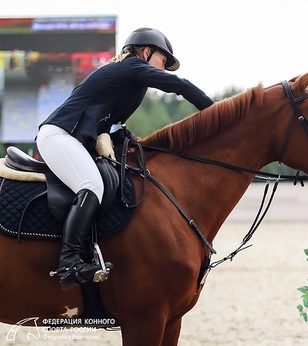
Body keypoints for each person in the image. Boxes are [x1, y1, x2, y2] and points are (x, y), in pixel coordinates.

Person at [36, 28, 214, 290]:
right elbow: (181, 86)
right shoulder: (131, 66)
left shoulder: (130, 80)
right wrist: (216, 112)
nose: (163, 71)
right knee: (91, 185)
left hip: (75, 140)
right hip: (59, 136)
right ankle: (69, 262)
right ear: (146, 52)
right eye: (163, 62)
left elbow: (109, 126)